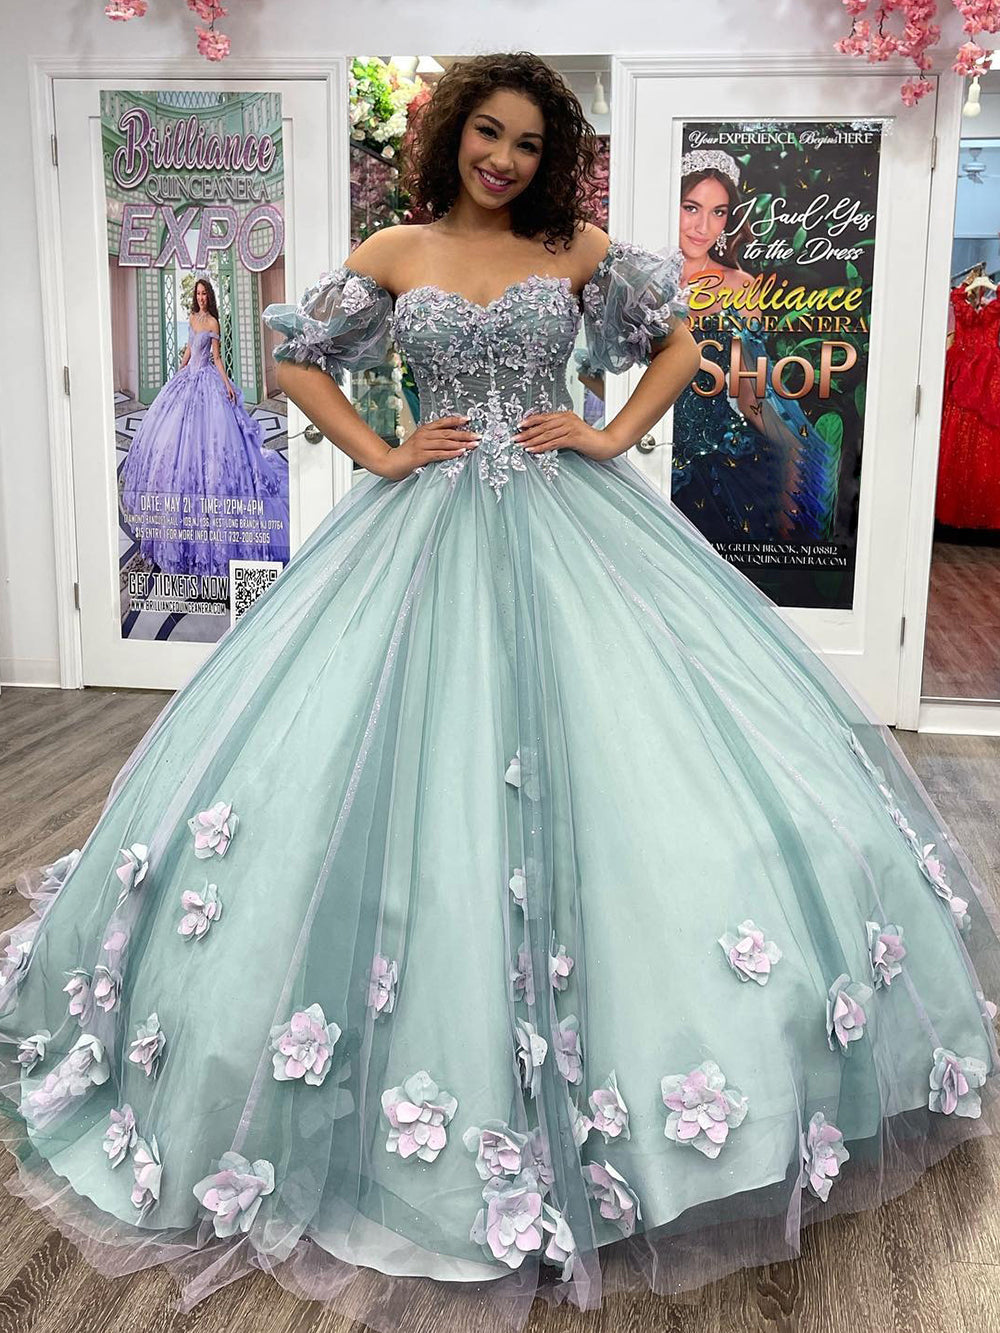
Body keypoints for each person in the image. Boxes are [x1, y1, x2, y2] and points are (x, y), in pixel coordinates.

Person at [1, 51, 999, 1332]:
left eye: (528, 142)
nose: (504, 159)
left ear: (551, 154)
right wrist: (379, 451)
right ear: (451, 136)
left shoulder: (577, 250)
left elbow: (680, 346)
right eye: (487, 132)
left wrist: (607, 431)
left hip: (566, 518)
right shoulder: (395, 248)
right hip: (417, 530)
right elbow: (295, 360)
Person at [673, 155, 843, 545]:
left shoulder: (740, 286)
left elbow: (751, 389)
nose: (703, 226)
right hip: (643, 446)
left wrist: (794, 451)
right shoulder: (639, 280)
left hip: (718, 460)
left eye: (718, 212)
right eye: (691, 208)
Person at [120, 277, 290, 578]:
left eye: (203, 294)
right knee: (172, 442)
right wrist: (179, 371)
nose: (200, 298)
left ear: (209, 296)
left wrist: (227, 385)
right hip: (188, 378)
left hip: (208, 382)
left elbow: (217, 358)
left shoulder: (212, 322)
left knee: (211, 442)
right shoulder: (192, 318)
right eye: (197, 294)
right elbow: (189, 349)